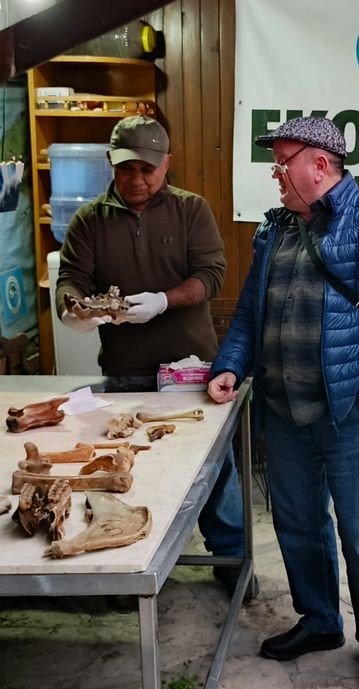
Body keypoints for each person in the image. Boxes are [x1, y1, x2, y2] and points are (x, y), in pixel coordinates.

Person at [206, 117, 359, 689]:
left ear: (320, 166)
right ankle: (320, 620)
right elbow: (251, 313)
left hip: (350, 412)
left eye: (283, 163)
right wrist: (230, 364)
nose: (276, 175)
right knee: (299, 524)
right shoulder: (275, 229)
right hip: (283, 411)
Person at [55, 115, 248, 593]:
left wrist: (163, 300)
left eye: (147, 169)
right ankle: (125, 558)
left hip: (191, 368)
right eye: (126, 169)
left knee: (214, 469)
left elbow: (211, 275)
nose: (137, 180)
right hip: (124, 369)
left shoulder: (191, 211)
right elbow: (71, 278)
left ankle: (229, 560)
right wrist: (73, 309)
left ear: (167, 164)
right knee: (125, 466)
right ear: (111, 164)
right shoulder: (89, 221)